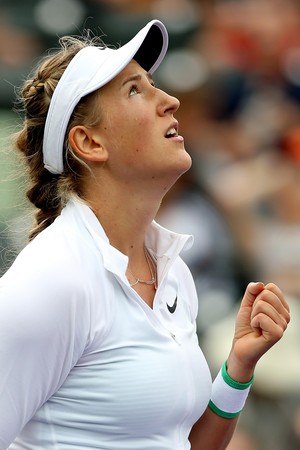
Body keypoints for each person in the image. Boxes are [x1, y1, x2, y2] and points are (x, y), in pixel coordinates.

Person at [0, 19, 290, 450]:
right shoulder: (51, 280)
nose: (170, 100)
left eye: (152, 83)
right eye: (135, 90)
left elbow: (180, 444)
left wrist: (236, 369)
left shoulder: (171, 272)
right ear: (90, 143)